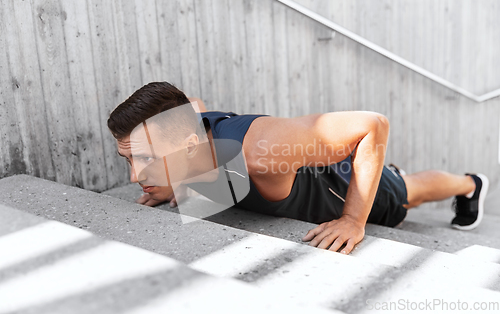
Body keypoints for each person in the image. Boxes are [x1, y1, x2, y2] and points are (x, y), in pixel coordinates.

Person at [108, 82, 489, 255]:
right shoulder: (186, 129)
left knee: (409, 192)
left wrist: (354, 221)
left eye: (144, 159)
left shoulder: (259, 152)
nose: (135, 177)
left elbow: (373, 125)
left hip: (342, 183)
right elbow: (193, 103)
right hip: (305, 161)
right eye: (130, 158)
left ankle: (470, 184)